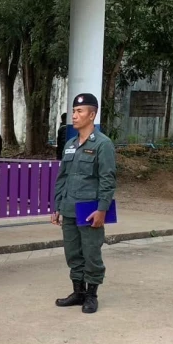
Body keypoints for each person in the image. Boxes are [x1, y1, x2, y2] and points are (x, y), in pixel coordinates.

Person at [52, 94, 116, 314]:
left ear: (92, 115)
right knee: (73, 253)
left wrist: (102, 209)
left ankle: (91, 295)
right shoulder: (70, 144)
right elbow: (62, 177)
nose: (74, 115)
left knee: (91, 253)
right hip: (69, 207)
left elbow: (108, 179)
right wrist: (57, 206)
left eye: (79, 111)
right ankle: (78, 292)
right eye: (73, 111)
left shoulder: (103, 144)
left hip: (89, 209)